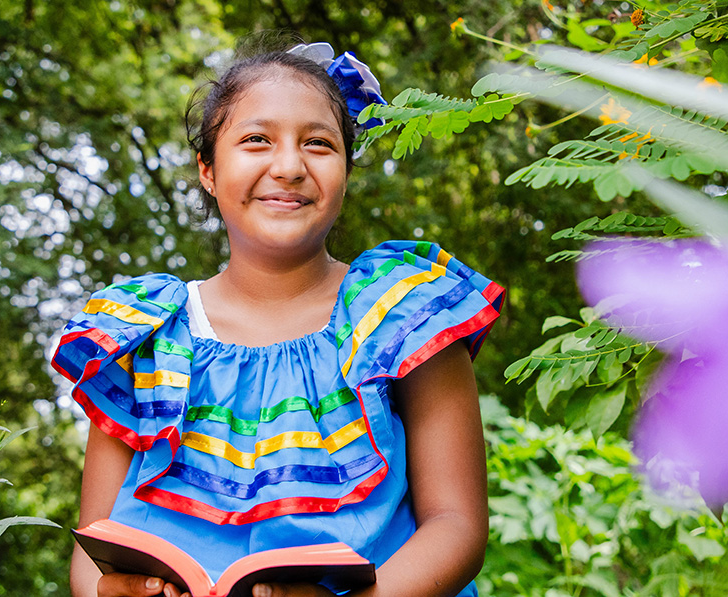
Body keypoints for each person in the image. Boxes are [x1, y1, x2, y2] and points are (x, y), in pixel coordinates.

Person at [54, 40, 504, 597]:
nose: (289, 167)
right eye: (256, 140)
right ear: (209, 170)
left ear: (345, 173)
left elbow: (457, 527)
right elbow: (89, 553)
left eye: (318, 143)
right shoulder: (141, 336)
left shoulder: (405, 314)